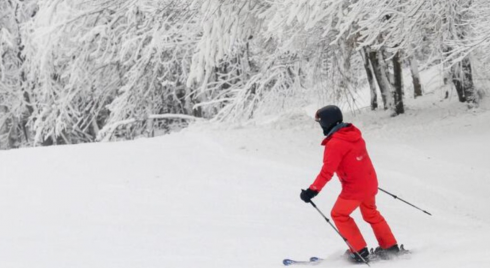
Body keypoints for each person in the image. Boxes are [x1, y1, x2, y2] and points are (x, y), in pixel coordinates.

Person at [300, 105, 399, 263]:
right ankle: (390, 246)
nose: (321, 127)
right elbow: (357, 161)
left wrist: (312, 191)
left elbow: (327, 172)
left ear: (327, 123)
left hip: (355, 189)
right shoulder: (354, 135)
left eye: (321, 123)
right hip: (369, 183)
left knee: (339, 214)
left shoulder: (335, 144)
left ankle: (359, 251)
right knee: (371, 214)